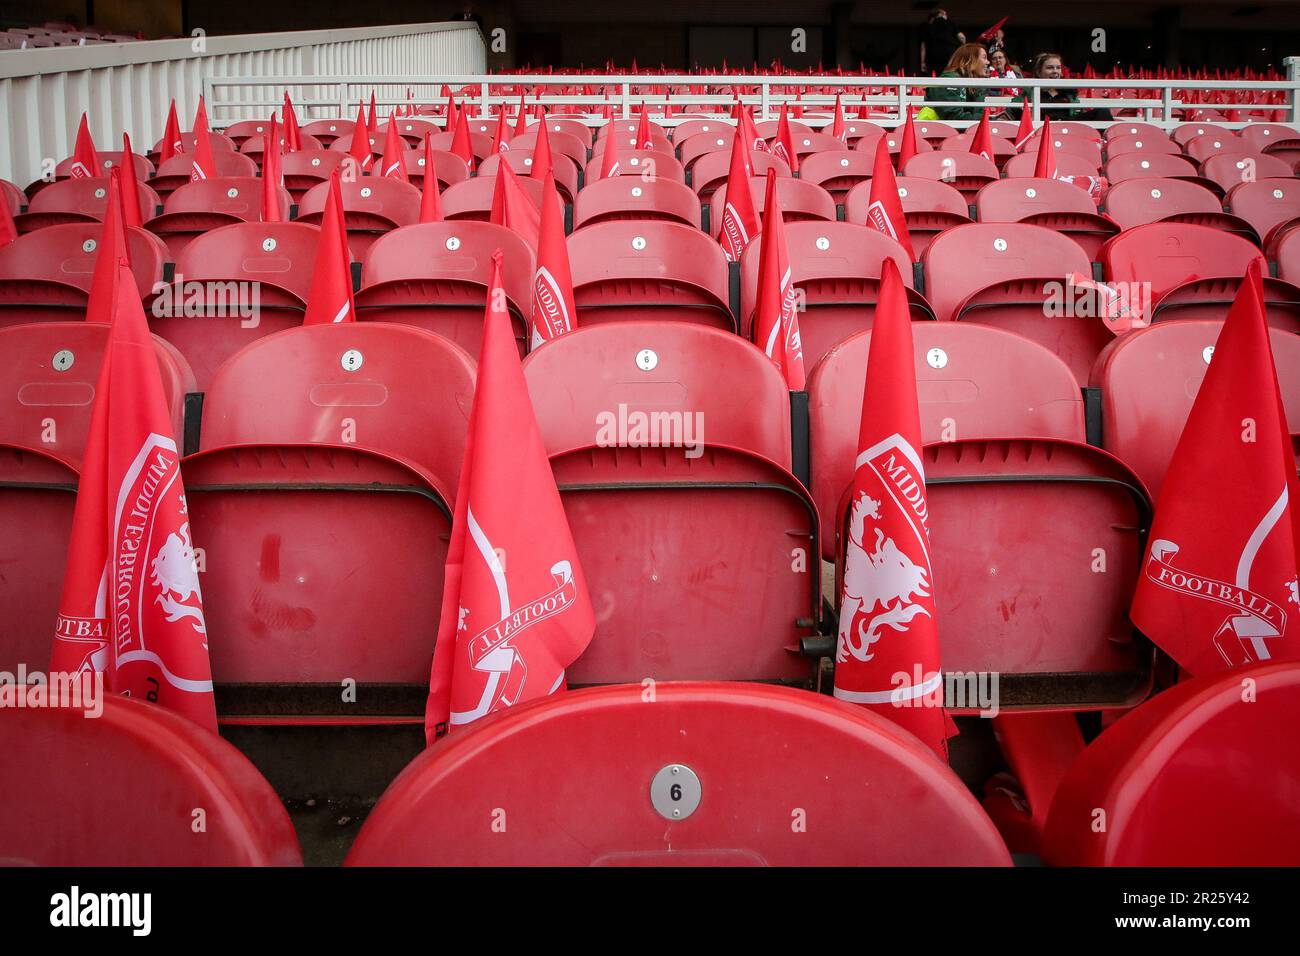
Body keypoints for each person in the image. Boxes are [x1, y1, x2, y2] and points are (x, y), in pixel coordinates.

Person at [1031, 51, 1113, 121]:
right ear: (1038, 72)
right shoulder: (1029, 92)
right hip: (1044, 127)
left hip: (1068, 124)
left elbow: (1076, 113)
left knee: (1103, 111)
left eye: (1058, 68)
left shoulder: (1068, 91)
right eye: (1050, 68)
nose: (1055, 71)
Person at [926, 43, 995, 121]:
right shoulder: (949, 80)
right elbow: (953, 116)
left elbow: (979, 113)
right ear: (970, 60)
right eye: (984, 57)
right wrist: (987, 120)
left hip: (966, 131)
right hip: (939, 131)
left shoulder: (975, 85)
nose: (988, 62)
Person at [920, 9, 964, 75]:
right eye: (945, 14)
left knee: (935, 77)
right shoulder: (950, 23)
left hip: (933, 58)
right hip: (950, 55)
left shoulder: (926, 26)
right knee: (950, 74)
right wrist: (963, 46)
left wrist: (922, 62)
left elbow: (923, 47)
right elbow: (962, 37)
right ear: (942, 14)